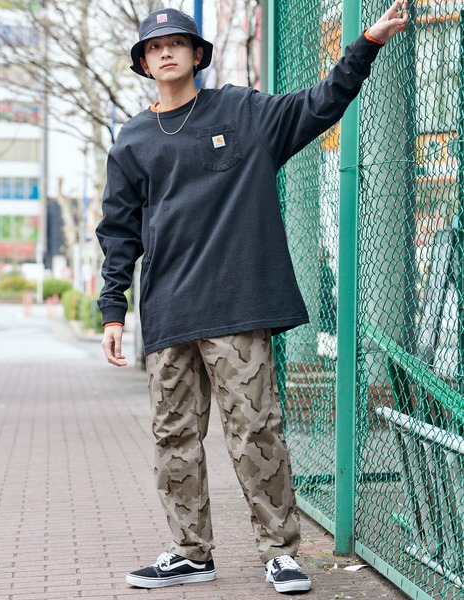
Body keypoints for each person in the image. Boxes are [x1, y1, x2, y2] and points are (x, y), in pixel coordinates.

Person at [96, 2, 408, 594]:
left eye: (176, 43)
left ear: (197, 55)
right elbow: (118, 231)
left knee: (255, 430)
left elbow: (320, 103)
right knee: (173, 437)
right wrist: (113, 310)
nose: (165, 52)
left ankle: (280, 552)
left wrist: (365, 44)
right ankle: (191, 553)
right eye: (153, 47)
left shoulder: (241, 111)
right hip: (167, 312)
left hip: (236, 307)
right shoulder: (132, 139)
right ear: (143, 63)